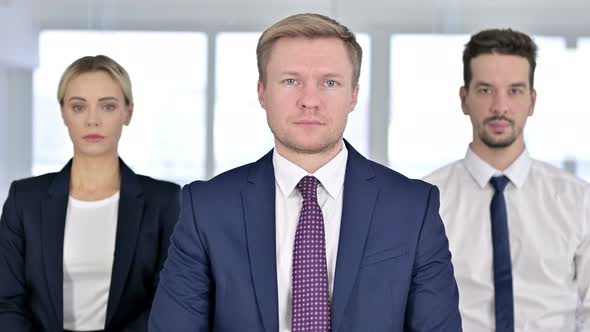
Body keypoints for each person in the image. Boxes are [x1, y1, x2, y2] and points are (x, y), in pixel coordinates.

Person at [149, 13, 461, 331]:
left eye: (329, 83)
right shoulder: (207, 207)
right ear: (262, 92)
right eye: (291, 81)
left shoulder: (412, 206)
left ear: (353, 94)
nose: (309, 100)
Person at [424, 29, 590, 331]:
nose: (500, 107)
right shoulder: (425, 201)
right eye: (486, 90)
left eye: (514, 91)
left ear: (532, 101)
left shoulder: (579, 201)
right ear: (464, 99)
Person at [0, 55, 181, 332]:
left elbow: (168, 302)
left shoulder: (165, 200)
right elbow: (8, 302)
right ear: (63, 113)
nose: (92, 120)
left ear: (128, 112)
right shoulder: (24, 199)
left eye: (107, 106)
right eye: (78, 107)